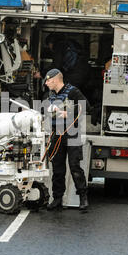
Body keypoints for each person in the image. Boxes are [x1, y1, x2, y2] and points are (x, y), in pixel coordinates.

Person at [44, 68, 90, 212]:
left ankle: (83, 197)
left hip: (72, 133)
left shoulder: (72, 91)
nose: (46, 83)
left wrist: (67, 113)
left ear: (56, 80)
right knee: (57, 168)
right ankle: (57, 199)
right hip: (56, 134)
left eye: (48, 80)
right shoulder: (51, 95)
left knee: (74, 166)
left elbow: (86, 107)